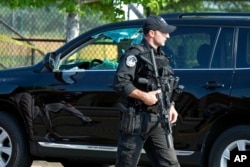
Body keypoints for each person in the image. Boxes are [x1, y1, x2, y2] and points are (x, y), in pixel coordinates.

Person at [113, 15, 180, 167]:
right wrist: (144, 96)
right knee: (127, 164)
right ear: (151, 33)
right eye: (164, 32)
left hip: (158, 119)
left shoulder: (162, 57)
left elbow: (165, 84)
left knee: (170, 164)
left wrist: (171, 105)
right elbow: (120, 82)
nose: (168, 36)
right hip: (136, 118)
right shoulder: (135, 55)